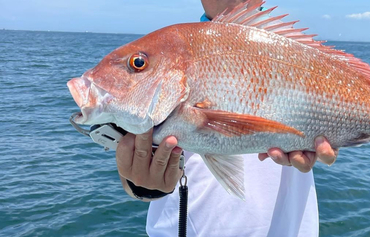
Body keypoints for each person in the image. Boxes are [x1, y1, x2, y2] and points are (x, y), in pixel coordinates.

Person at [115, 0, 337, 236]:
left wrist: (336, 134)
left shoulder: (293, 46)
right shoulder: (164, 50)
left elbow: (345, 106)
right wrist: (144, 186)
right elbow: (131, 169)